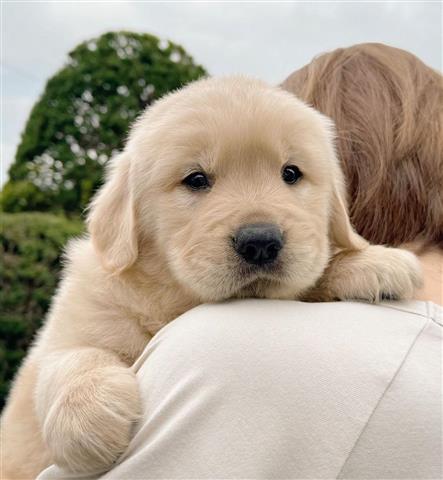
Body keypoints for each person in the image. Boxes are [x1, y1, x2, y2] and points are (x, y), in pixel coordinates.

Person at [38, 44, 442, 480]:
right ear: (126, 212)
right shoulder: (104, 291)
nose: (261, 233)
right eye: (196, 180)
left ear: (339, 200)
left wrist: (333, 271)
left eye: (291, 175)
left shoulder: (239, 349)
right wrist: (77, 377)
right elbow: (63, 358)